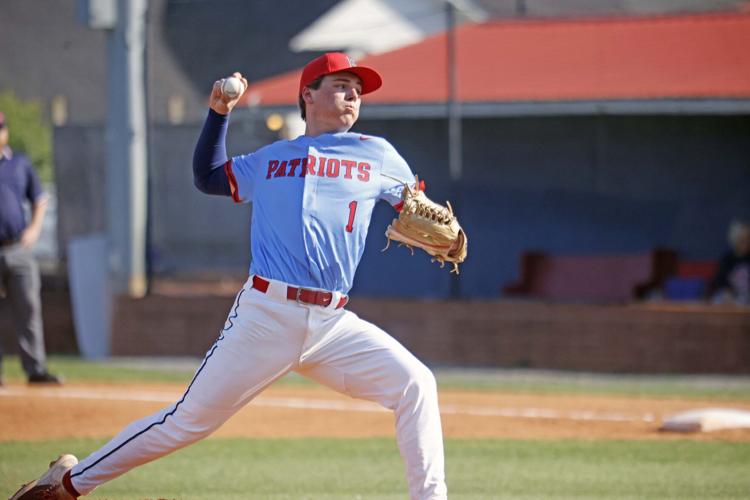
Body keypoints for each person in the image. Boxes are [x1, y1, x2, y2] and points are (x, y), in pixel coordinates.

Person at [10, 52, 459, 500]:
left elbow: (419, 209)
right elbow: (207, 176)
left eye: (358, 89)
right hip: (267, 315)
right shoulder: (271, 158)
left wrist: (449, 233)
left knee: (416, 384)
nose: (354, 94)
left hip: (333, 324)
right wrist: (219, 112)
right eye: (341, 85)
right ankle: (65, 485)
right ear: (308, 95)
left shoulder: (377, 154)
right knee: (186, 422)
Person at [0, 111, 61, 386]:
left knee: (28, 308)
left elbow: (39, 199)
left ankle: (35, 369)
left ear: (5, 132)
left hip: (18, 249)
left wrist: (34, 229)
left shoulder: (19, 163)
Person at [712, 219, 750, 305]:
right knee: (718, 299)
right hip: (731, 295)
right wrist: (727, 293)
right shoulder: (727, 259)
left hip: (747, 295)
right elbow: (719, 281)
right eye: (741, 239)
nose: (745, 242)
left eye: (747, 238)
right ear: (734, 240)